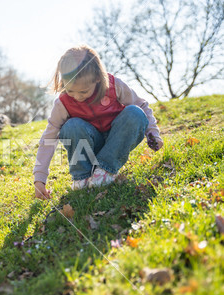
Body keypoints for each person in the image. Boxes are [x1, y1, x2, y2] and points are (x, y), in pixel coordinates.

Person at [33, 45, 163, 200]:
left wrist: (152, 132)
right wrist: (39, 178)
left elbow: (142, 106)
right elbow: (49, 138)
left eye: (83, 91)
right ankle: (82, 177)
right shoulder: (63, 103)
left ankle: (105, 170)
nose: (77, 97)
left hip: (117, 143)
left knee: (135, 112)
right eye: (70, 91)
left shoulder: (113, 86)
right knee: (71, 126)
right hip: (88, 146)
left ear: (97, 78)